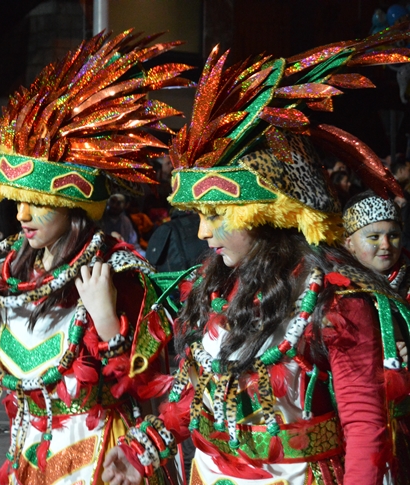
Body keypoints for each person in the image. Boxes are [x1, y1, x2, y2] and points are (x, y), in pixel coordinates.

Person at [105, 29, 410, 485]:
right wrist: (143, 448)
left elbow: (364, 428)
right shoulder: (215, 285)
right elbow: (204, 390)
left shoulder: (336, 301)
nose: (203, 231)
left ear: (265, 213)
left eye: (216, 215)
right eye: (200, 216)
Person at [0, 31, 190, 485]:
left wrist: (107, 323)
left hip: (101, 460)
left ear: (75, 207)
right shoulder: (7, 271)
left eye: (36, 202)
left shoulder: (119, 274)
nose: (21, 215)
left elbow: (151, 388)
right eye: (16, 201)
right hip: (31, 458)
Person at [342, 191, 410, 485]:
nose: (386, 245)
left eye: (393, 235)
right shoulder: (332, 293)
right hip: (357, 431)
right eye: (373, 237)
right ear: (349, 243)